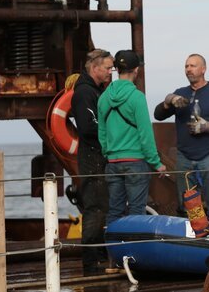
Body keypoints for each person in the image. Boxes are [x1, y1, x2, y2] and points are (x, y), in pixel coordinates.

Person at [154, 53, 209, 221]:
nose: (189, 69)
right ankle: (196, 234)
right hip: (184, 156)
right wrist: (168, 100)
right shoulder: (180, 93)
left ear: (203, 69)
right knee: (188, 206)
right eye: (186, 66)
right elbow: (158, 115)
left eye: (193, 66)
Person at [98, 50, 166, 227]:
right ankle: (135, 252)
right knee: (137, 210)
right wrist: (156, 163)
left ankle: (113, 251)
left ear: (116, 70)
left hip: (113, 162)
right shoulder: (137, 97)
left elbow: (102, 131)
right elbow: (145, 134)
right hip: (135, 161)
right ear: (136, 70)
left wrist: (108, 152)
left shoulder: (104, 97)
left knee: (115, 210)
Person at [71, 49, 113, 276]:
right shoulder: (85, 93)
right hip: (92, 159)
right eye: (107, 68)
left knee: (101, 209)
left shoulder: (95, 91)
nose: (110, 72)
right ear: (95, 68)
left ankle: (99, 258)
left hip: (97, 158)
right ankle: (90, 263)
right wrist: (111, 132)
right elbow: (87, 128)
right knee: (95, 210)